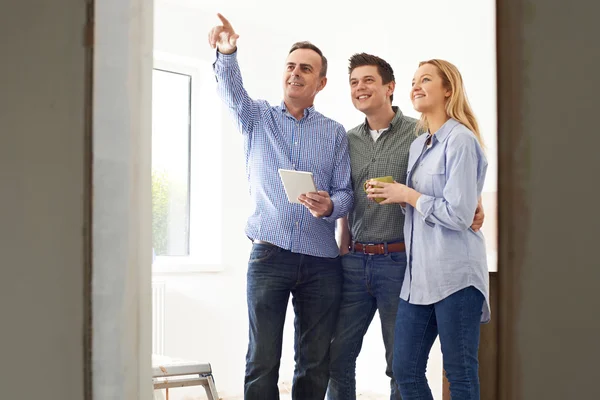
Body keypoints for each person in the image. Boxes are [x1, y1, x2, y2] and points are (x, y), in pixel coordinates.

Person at [208, 14, 354, 400]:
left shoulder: (334, 132)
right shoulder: (256, 117)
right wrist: (227, 52)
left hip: (321, 262)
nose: (295, 74)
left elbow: (346, 194)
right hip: (269, 255)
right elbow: (230, 90)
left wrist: (330, 206)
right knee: (262, 358)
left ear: (320, 83)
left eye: (306, 69)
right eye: (290, 66)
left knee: (314, 360)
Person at [327, 54, 484, 400]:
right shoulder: (408, 142)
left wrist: (412, 195)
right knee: (381, 365)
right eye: (353, 82)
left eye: (425, 80)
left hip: (422, 266)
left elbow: (455, 202)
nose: (360, 88)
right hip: (384, 267)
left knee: (440, 369)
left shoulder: (438, 136)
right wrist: (344, 244)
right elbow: (347, 194)